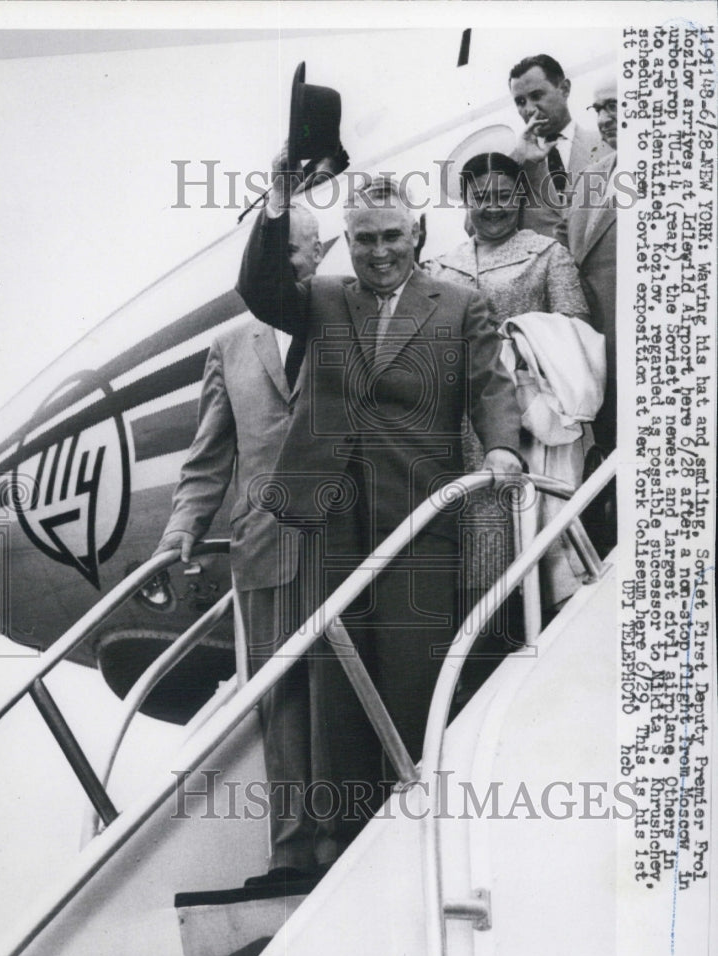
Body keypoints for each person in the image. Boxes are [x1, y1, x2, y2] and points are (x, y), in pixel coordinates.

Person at [237, 153, 523, 869]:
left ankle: (414, 842)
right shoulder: (322, 298)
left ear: (417, 234)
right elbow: (259, 287)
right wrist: (278, 197)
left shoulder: (458, 304)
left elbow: (490, 385)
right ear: (348, 242)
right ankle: (344, 848)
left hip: (419, 519)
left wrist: (501, 449)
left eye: (392, 235)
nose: (380, 251)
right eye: (364, 239)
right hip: (331, 517)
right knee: (336, 686)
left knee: (412, 677)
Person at [153, 204, 324, 885]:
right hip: (263, 543)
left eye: (298, 250)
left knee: (339, 686)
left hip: (342, 536)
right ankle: (291, 849)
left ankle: (344, 836)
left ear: (320, 254)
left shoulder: (344, 321)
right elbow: (208, 458)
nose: (287, 263)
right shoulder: (228, 347)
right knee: (279, 694)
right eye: (273, 252)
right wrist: (180, 531)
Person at [424, 151, 591, 669]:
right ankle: (472, 663)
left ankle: (526, 651)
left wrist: (516, 343)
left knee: (518, 537)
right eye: (482, 197)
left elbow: (576, 332)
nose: (493, 207)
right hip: (454, 424)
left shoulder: (547, 253)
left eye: (504, 196)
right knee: (462, 541)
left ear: (521, 198)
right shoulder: (441, 264)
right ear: (466, 200)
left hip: (525, 422)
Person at [566, 77, 618, 455]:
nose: (603, 119)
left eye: (614, 106)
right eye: (598, 109)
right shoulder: (590, 177)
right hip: (596, 356)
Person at [509, 54, 611, 239]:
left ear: (564, 89)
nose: (529, 109)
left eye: (536, 96)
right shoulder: (514, 163)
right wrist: (519, 163)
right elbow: (476, 229)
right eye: (520, 102)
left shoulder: (609, 146)